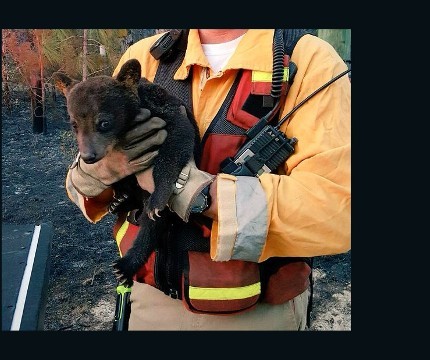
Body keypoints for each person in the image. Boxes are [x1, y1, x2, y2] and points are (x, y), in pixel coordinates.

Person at [65, 29, 350, 330]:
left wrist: (193, 191)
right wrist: (98, 173)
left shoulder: (309, 61)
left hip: (257, 314)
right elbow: (86, 181)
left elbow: (337, 211)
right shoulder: (144, 57)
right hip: (149, 302)